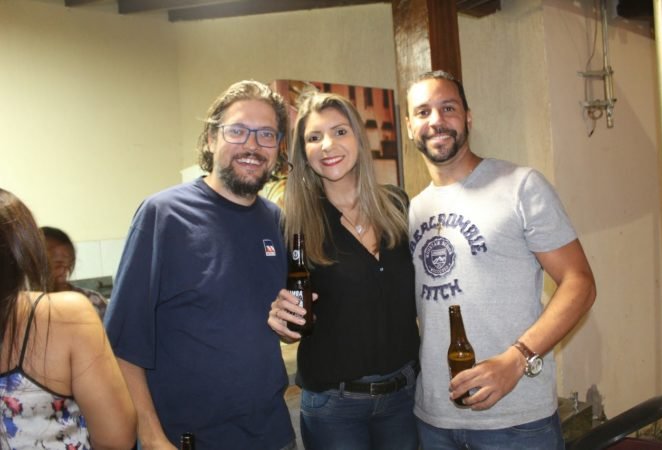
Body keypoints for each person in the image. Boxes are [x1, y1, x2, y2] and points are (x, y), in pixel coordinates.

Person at [405, 70, 597, 449]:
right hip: (434, 421)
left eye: (448, 108)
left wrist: (516, 359)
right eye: (423, 112)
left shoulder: (519, 186)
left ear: (468, 117)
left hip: (516, 421)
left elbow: (580, 283)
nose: (436, 120)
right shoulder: (414, 210)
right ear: (410, 126)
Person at [104, 80, 296, 450]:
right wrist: (152, 438)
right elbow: (123, 343)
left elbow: (266, 323)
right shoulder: (163, 215)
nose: (252, 145)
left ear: (277, 147)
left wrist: (290, 325)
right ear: (210, 139)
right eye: (237, 130)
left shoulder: (274, 219)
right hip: (189, 439)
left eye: (266, 134)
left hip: (273, 434)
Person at [268, 91, 420, 450]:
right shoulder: (294, 225)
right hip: (334, 408)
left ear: (358, 139)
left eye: (339, 131)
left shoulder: (397, 204)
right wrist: (281, 320)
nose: (327, 145)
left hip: (404, 397)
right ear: (303, 152)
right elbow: (288, 321)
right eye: (314, 137)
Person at [0, 188, 136, 449]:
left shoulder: (91, 301)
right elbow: (116, 439)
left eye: (67, 263)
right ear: (29, 251)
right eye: (56, 261)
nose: (62, 269)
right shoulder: (69, 314)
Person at [40, 226, 108, 319]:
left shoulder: (94, 301)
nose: (64, 272)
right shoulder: (25, 306)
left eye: (68, 266)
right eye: (57, 265)